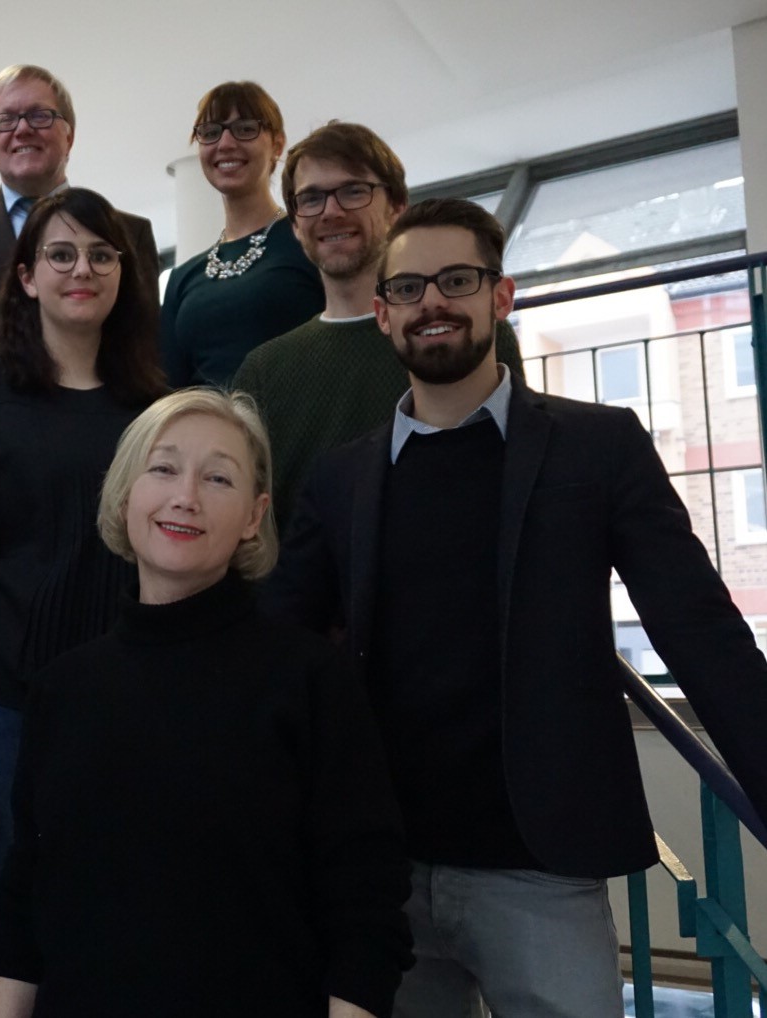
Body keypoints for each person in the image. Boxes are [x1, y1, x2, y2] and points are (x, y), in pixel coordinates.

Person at [266, 198, 767, 1018]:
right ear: (383, 313)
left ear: (501, 296)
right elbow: (275, 644)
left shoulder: (599, 447)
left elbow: (700, 628)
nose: (433, 302)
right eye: (410, 286)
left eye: (457, 280)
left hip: (542, 869)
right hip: (382, 870)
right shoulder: (339, 478)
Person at [0, 389, 412, 1018]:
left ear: (253, 515)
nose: (186, 495)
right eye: (163, 468)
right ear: (126, 493)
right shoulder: (62, 689)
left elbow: (366, 907)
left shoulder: (310, 680)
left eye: (218, 477)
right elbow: (26, 902)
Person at [0, 188, 167, 1018]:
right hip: (0, 720)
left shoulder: (154, 409)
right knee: (3, 958)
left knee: (116, 951)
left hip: (131, 720)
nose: (82, 269)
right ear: (26, 276)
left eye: (101, 254)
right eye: (61, 254)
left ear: (125, 274)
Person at [231, 122, 526, 528]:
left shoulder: (472, 337)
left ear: (396, 208)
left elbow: (516, 478)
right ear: (296, 226)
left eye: (354, 190)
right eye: (311, 198)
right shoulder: (263, 371)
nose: (332, 211)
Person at [0, 65, 160, 306]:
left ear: (69, 136)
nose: (22, 129)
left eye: (39, 116)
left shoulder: (131, 235)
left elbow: (143, 340)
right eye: (6, 119)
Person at [160, 82, 325, 388]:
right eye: (210, 133)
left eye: (245, 128)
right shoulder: (183, 277)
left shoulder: (311, 242)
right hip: (203, 433)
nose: (225, 143)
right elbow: (169, 390)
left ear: (277, 144)